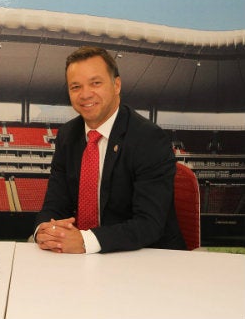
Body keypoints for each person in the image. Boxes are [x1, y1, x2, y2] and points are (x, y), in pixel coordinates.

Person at [34, 46, 186, 254]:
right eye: (75, 87)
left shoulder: (149, 139)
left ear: (116, 85)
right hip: (84, 261)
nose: (85, 94)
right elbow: (54, 205)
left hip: (146, 260)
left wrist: (85, 240)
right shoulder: (67, 136)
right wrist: (45, 231)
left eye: (95, 83)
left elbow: (148, 224)